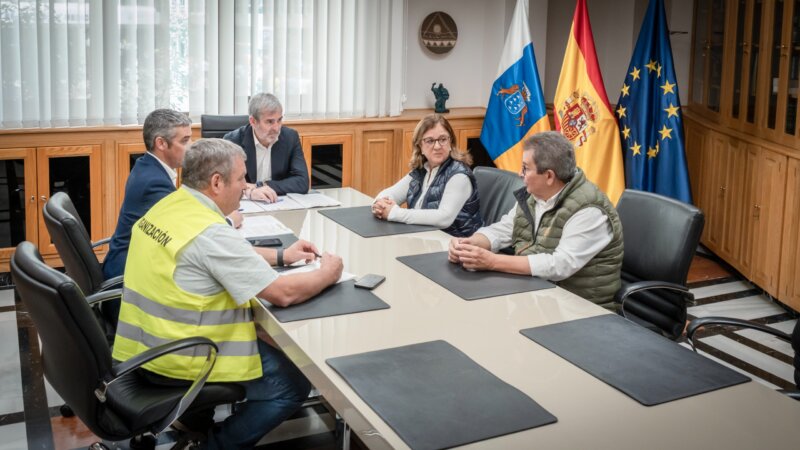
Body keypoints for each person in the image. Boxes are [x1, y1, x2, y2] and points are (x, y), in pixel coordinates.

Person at [112, 138, 344, 449]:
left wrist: (279, 256)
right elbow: (282, 293)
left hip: (143, 346)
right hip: (184, 358)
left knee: (268, 340)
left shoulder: (173, 206)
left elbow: (219, 254)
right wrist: (327, 273)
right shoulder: (209, 232)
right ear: (217, 182)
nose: (246, 186)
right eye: (241, 179)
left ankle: (197, 421)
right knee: (291, 385)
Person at [448, 131, 623, 307]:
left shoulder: (589, 210)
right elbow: (505, 228)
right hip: (538, 294)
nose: (519, 173)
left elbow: (560, 265)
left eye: (525, 168)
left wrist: (492, 261)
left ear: (549, 176)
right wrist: (470, 245)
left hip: (580, 308)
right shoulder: (535, 196)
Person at [103, 109, 243, 281]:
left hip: (133, 259)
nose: (192, 146)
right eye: (184, 141)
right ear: (161, 143)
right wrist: (228, 221)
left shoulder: (147, 166)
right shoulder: (154, 183)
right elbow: (187, 231)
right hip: (127, 274)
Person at [372, 114, 482, 237]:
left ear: (451, 142)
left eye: (443, 139)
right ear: (420, 146)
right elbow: (391, 193)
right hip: (425, 239)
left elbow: (444, 218)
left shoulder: (459, 175)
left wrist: (395, 213)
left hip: (457, 246)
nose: (437, 146)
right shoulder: (422, 170)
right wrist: (380, 204)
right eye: (430, 141)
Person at [224, 93, 309, 202]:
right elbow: (227, 184)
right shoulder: (233, 141)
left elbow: (302, 182)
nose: (276, 128)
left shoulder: (290, 138)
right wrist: (251, 192)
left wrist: (261, 186)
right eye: (269, 122)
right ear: (253, 121)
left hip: (278, 205)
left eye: (279, 120)